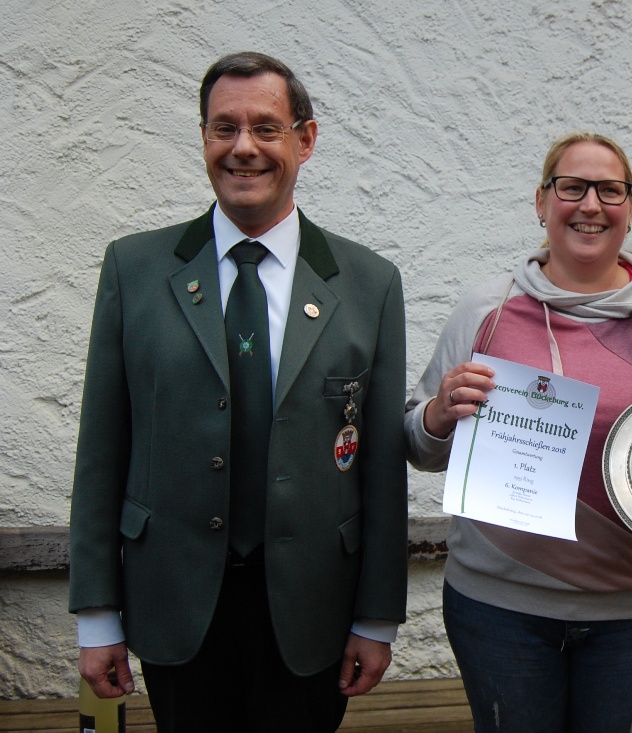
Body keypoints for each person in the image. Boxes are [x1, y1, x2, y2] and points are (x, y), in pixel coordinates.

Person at [68, 51, 408, 732]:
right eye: (224, 128)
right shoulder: (134, 270)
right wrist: (97, 616)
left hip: (313, 608)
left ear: (305, 140)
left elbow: (378, 467)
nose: (243, 147)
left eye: (266, 128)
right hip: (174, 602)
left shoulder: (368, 283)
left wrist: (376, 617)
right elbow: (102, 450)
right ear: (203, 138)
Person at [404, 131, 632, 732]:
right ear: (541, 202)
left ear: (630, 208)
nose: (591, 204)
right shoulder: (485, 311)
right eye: (572, 187)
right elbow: (418, 445)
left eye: (610, 190)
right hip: (499, 608)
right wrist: (438, 414)